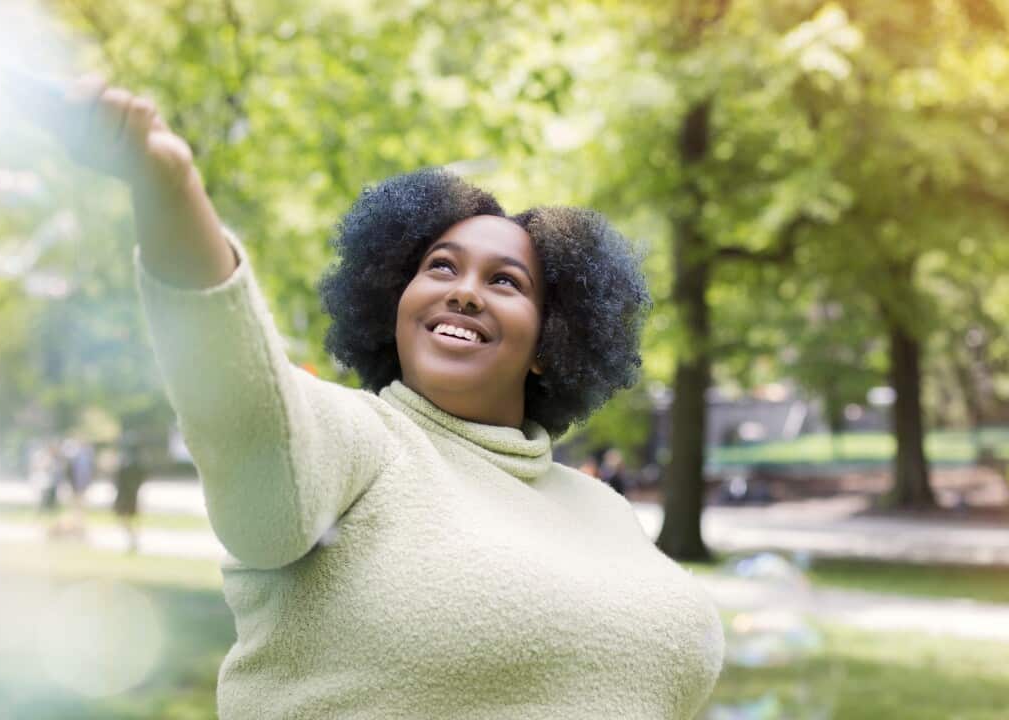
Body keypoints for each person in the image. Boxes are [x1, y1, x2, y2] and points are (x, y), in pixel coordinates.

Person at [40, 76, 724, 719]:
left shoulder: (598, 506)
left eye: (506, 282)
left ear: (552, 342)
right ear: (393, 308)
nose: (464, 290)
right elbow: (243, 409)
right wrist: (169, 187)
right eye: (440, 268)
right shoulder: (360, 438)